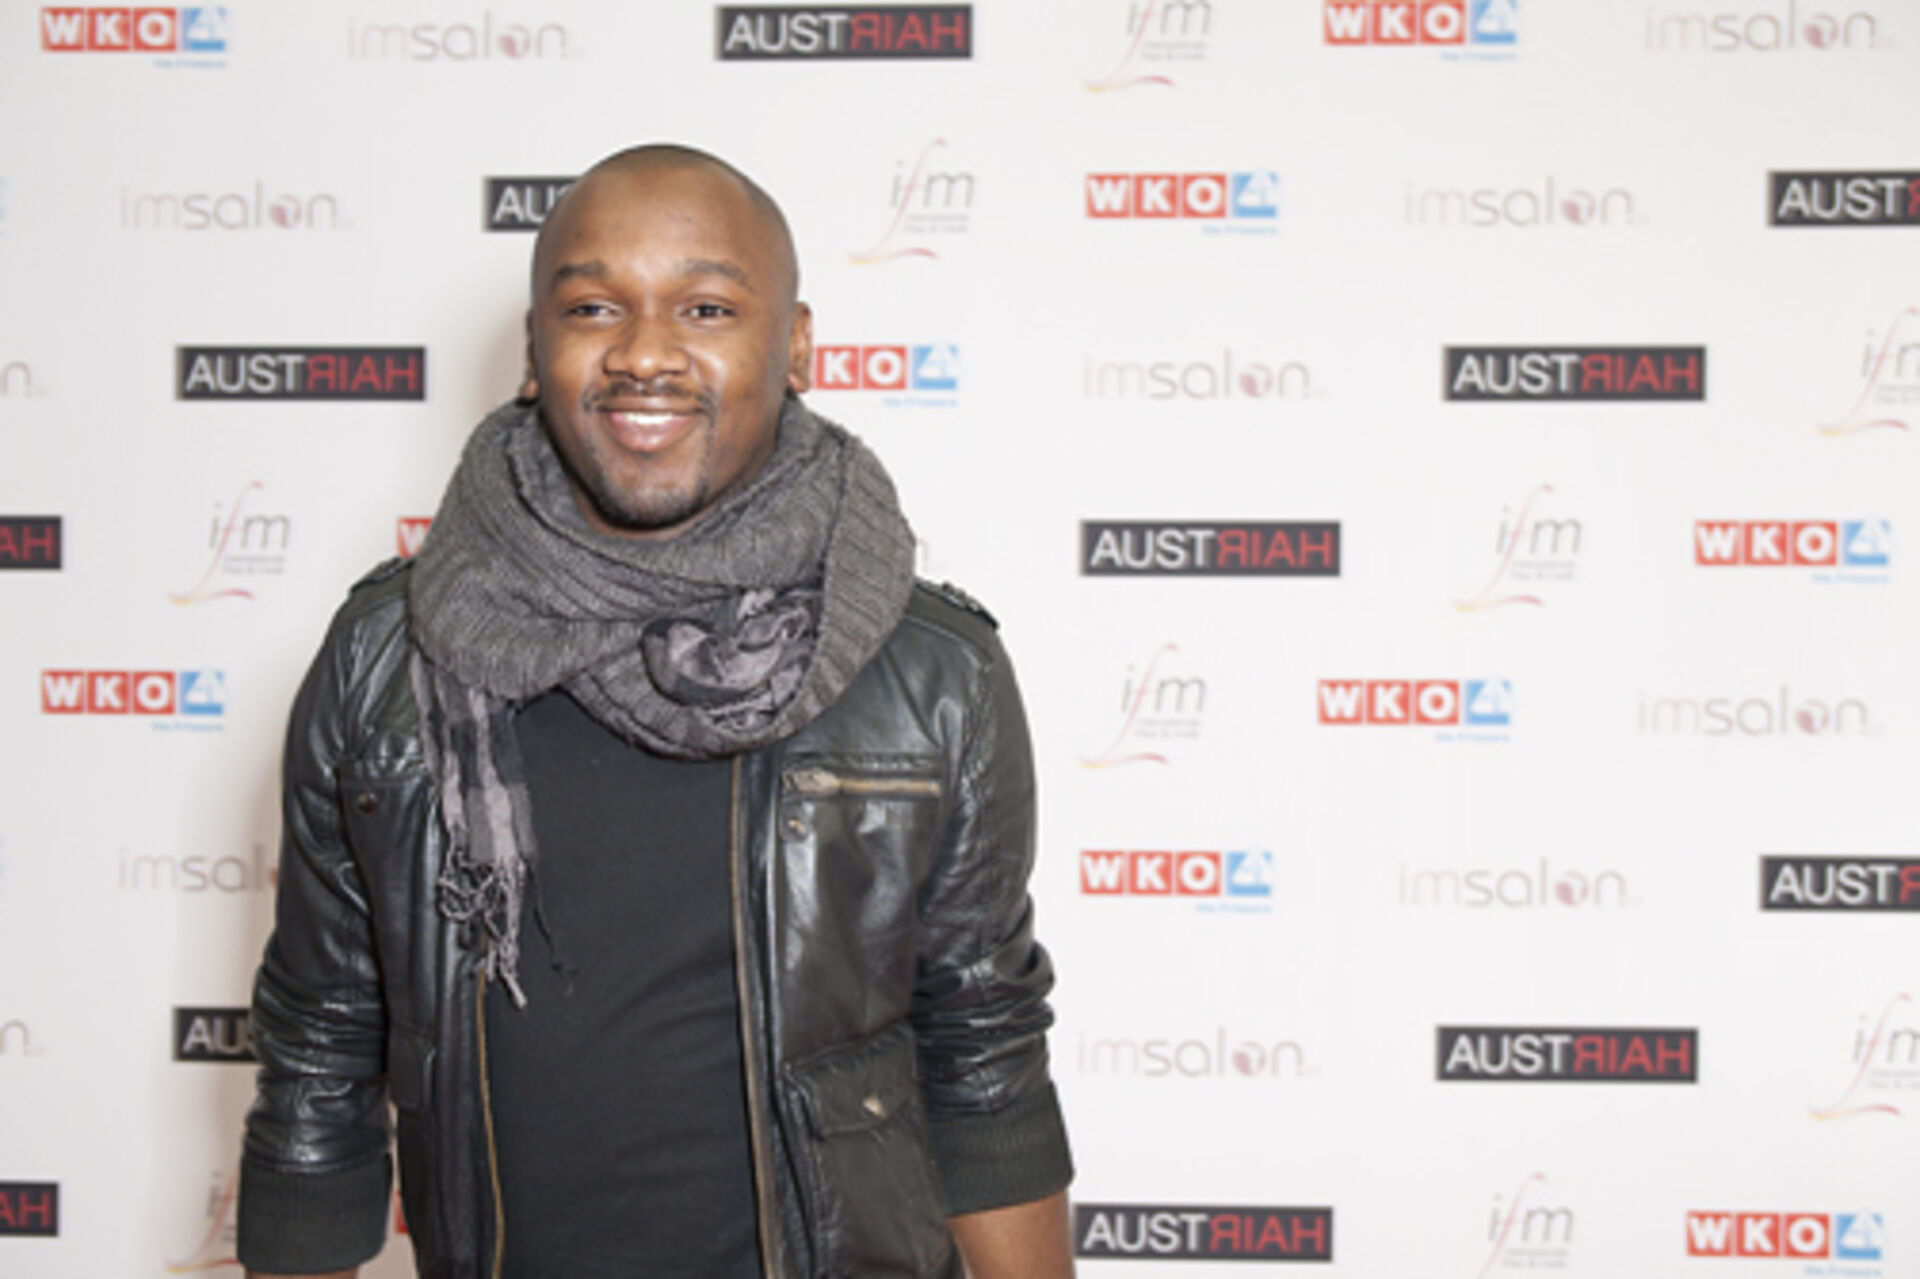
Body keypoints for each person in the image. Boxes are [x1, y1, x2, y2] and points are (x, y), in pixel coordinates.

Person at [237, 144, 1074, 1279]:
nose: (642, 353)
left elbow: (983, 1048)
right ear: (534, 349)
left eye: (706, 308)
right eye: (592, 307)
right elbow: (320, 1053)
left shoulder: (932, 673)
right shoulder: (387, 659)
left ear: (797, 345)